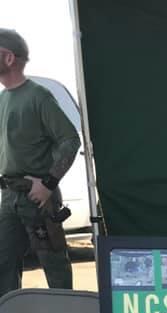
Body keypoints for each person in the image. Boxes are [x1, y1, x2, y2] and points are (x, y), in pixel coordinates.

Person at [0, 28, 80, 296]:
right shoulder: (3, 99)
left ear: (9, 58)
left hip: (38, 199)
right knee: (3, 266)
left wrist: (48, 183)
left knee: (54, 268)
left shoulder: (38, 96)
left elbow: (70, 140)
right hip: (9, 197)